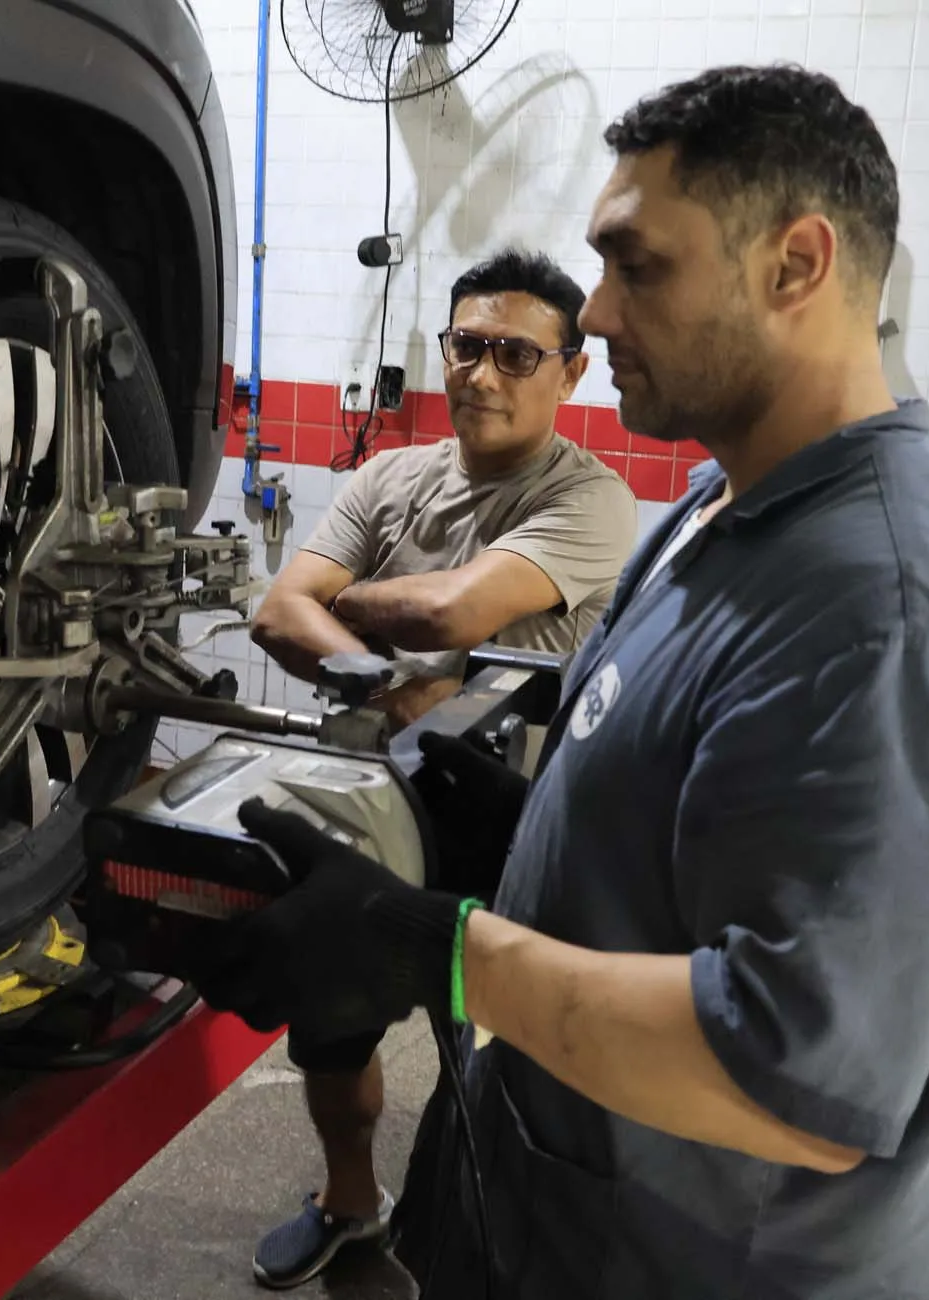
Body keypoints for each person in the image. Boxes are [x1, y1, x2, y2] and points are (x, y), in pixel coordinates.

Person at [192, 64, 929, 1299]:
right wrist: (527, 833)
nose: (593, 317)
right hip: (559, 1207)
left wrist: (433, 947)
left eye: (635, 265)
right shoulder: (725, 506)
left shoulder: (893, 605)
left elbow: (794, 1069)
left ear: (797, 265)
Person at [244, 248, 637, 1290]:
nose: (483, 372)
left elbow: (452, 609)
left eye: (516, 352)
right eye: (467, 345)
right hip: (374, 805)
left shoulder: (593, 500)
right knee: (333, 1023)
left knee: (499, 1062)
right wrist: (383, 679)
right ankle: (348, 1201)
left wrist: (346, 605)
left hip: (512, 825)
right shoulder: (391, 476)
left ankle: (485, 1245)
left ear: (571, 369)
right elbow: (275, 608)